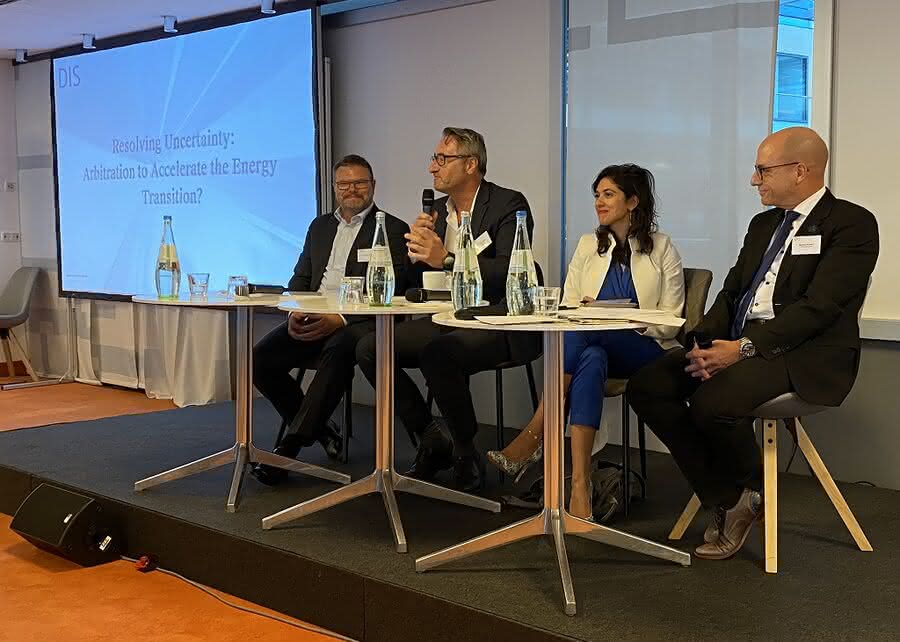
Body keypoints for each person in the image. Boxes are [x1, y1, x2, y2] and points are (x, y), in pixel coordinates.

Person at [628, 127, 879, 559]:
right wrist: (703, 342)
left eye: (763, 170)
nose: (753, 180)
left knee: (712, 402)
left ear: (800, 171)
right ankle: (732, 497)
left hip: (806, 354)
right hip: (741, 344)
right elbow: (732, 293)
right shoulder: (763, 224)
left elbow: (818, 309)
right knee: (648, 385)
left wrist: (742, 348)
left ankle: (740, 493)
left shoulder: (851, 224)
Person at [486, 164, 685, 519]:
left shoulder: (662, 248)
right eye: (596, 195)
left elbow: (671, 319)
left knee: (590, 331)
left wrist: (617, 317)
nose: (599, 202)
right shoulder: (588, 245)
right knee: (590, 355)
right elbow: (569, 305)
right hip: (595, 346)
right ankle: (580, 487)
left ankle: (536, 430)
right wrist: (592, 312)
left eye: (608, 194)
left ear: (633, 201)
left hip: (646, 349)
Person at [355, 127, 540, 493]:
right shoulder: (437, 211)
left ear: (470, 164)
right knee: (371, 347)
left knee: (439, 354)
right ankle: (429, 436)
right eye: (434, 158)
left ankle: (465, 449)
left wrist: (448, 258)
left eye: (442, 159)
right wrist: (415, 253)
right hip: (447, 316)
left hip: (498, 319)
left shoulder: (508, 204)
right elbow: (416, 285)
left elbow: (513, 270)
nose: (432, 167)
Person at [251, 154, 409, 485]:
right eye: (344, 184)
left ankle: (289, 448)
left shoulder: (392, 229)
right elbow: (300, 279)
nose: (352, 189)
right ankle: (323, 430)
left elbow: (393, 291)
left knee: (338, 351)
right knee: (259, 359)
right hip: (312, 316)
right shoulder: (319, 227)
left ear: (373, 185)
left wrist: (340, 318)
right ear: (335, 188)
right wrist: (294, 311)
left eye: (360, 182)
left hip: (357, 323)